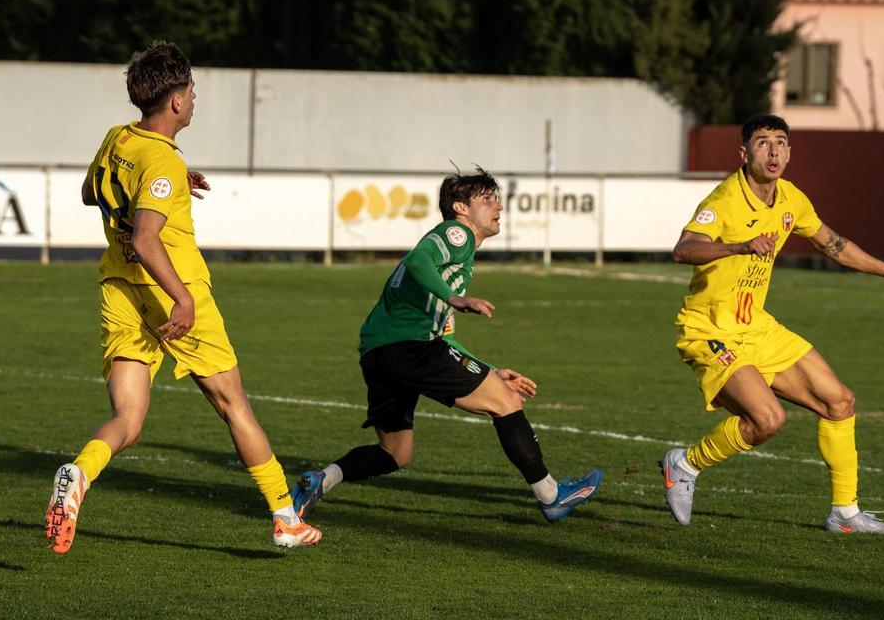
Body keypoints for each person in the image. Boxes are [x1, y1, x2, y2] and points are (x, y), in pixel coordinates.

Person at [43, 41, 320, 553]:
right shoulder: (162, 163)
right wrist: (183, 299)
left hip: (121, 291)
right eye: (192, 90)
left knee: (128, 422)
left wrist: (162, 185)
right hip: (174, 293)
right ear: (174, 100)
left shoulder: (118, 139)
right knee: (233, 405)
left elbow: (92, 193)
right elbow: (148, 239)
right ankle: (286, 517)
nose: (195, 98)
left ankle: (78, 474)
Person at [661, 113, 884, 535]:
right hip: (710, 331)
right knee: (768, 421)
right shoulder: (723, 202)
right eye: (763, 142)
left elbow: (834, 245)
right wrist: (740, 245)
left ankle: (845, 515)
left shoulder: (791, 199)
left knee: (839, 401)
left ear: (790, 151)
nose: (774, 150)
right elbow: (683, 250)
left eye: (781, 141)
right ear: (744, 153)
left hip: (757, 327)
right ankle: (684, 464)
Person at [290, 167, 603, 523]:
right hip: (411, 348)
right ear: (461, 207)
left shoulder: (460, 255)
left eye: (497, 197)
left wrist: (489, 369)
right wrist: (453, 297)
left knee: (395, 453)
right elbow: (418, 260)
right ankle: (551, 496)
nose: (498, 205)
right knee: (507, 401)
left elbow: (445, 339)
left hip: (380, 353)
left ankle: (321, 480)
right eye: (486, 199)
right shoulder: (457, 234)